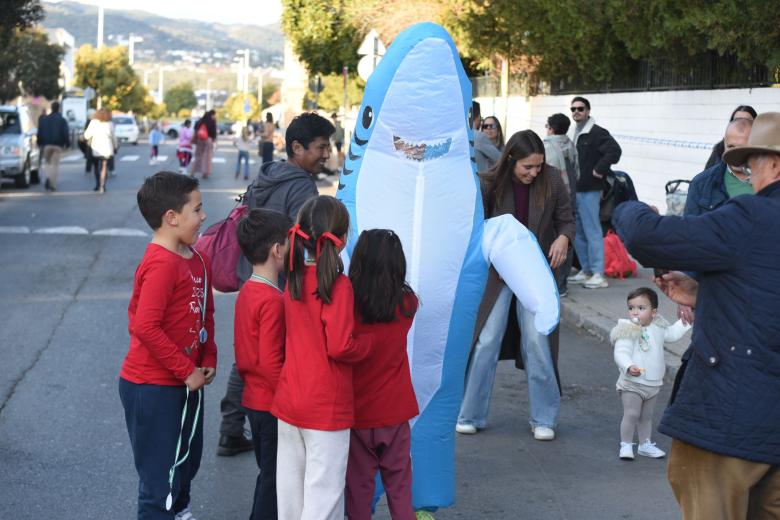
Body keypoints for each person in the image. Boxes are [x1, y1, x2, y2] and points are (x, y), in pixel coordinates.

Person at [612, 112, 780, 520]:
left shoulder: (752, 216)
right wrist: (708, 294)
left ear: (774, 163)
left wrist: (628, 206)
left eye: (749, 165)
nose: (745, 176)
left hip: (732, 418)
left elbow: (647, 237)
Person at [217, 111, 335, 457]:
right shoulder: (301, 186)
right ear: (297, 147)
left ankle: (231, 427)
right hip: (284, 286)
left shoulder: (269, 174)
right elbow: (306, 241)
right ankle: (271, 424)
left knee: (247, 357)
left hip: (253, 277)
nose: (327, 154)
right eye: (321, 147)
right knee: (273, 356)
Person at [456, 130, 575, 441]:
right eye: (527, 167)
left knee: (538, 341)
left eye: (538, 166)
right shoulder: (488, 182)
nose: (534, 173)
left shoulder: (550, 178)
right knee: (486, 338)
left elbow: (567, 218)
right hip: (497, 272)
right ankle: (469, 413)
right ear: (510, 160)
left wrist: (563, 237)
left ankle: (544, 418)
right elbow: (472, 229)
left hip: (535, 270)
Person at [118, 171, 218, 520]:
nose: (204, 216)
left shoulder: (197, 259)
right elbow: (145, 326)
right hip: (151, 387)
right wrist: (185, 370)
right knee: (158, 480)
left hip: (187, 382)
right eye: (197, 209)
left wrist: (208, 359)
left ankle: (180, 510)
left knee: (186, 462)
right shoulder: (161, 265)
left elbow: (205, 315)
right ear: (171, 218)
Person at [272, 195, 373, 520]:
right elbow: (341, 346)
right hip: (326, 404)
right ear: (341, 240)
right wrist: (368, 344)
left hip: (290, 398)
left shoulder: (295, 278)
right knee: (324, 496)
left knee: (290, 492)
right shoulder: (339, 287)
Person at [345, 229, 418, 520]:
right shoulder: (407, 304)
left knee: (358, 488)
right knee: (399, 486)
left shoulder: (349, 304)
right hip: (396, 410)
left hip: (359, 411)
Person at [234, 208, 291, 520]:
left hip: (252, 398)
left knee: (268, 473)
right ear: (277, 249)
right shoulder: (273, 300)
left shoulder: (249, 290)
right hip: (272, 404)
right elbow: (271, 362)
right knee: (274, 478)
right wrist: (291, 396)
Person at [611, 287, 690, 461]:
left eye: (641, 308)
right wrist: (629, 365)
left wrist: (685, 322)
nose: (635, 312)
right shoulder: (627, 330)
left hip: (653, 383)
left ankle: (644, 444)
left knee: (646, 417)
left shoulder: (658, 327)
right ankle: (626, 444)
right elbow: (621, 352)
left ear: (653, 312)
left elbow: (672, 334)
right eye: (631, 307)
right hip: (632, 382)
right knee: (631, 414)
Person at [566, 96, 622, 289]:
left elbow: (615, 151)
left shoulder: (597, 132)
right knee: (579, 232)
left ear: (588, 111)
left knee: (592, 231)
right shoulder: (574, 132)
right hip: (576, 189)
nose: (576, 112)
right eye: (573, 109)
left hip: (590, 189)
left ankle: (599, 273)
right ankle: (586, 270)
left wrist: (599, 169)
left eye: (580, 109)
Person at [685, 118, 754, 217]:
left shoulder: (771, 182)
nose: (735, 154)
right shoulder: (701, 183)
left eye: (742, 148)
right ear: (724, 142)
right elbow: (690, 229)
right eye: (731, 147)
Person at [543, 112, 579, 295]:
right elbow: (576, 171)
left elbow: (546, 176)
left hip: (556, 198)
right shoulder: (570, 143)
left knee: (555, 240)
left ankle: (555, 284)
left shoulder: (547, 146)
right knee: (567, 239)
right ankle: (562, 284)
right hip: (571, 195)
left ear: (551, 127)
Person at [704, 105, 756, 170]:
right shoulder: (720, 149)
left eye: (747, 120)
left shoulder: (763, 150)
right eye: (737, 120)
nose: (741, 124)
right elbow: (708, 173)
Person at [37, 101, 70, 192]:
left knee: (47, 163)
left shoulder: (44, 119)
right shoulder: (62, 120)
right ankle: (53, 184)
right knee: (55, 165)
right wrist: (67, 144)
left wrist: (39, 143)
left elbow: (40, 132)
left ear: (51, 108)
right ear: (58, 108)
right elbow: (65, 133)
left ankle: (47, 177)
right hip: (58, 145)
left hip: (46, 145)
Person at [82, 108, 115, 193]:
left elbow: (87, 135)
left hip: (96, 147)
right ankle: (103, 185)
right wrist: (115, 146)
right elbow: (113, 137)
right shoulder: (110, 124)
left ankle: (97, 184)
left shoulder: (93, 123)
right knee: (104, 166)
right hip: (106, 148)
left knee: (96, 166)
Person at [471, 101, 501, 173]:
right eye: (485, 126)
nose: (488, 129)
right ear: (478, 117)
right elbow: (502, 160)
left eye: (492, 126)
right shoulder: (479, 137)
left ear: (498, 128)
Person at [191, 110, 217, 179]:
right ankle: (205, 173)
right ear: (212, 115)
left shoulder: (201, 121)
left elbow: (195, 128)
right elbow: (214, 132)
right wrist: (214, 140)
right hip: (208, 140)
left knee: (198, 156)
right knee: (207, 157)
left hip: (200, 140)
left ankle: (193, 172)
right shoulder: (212, 121)